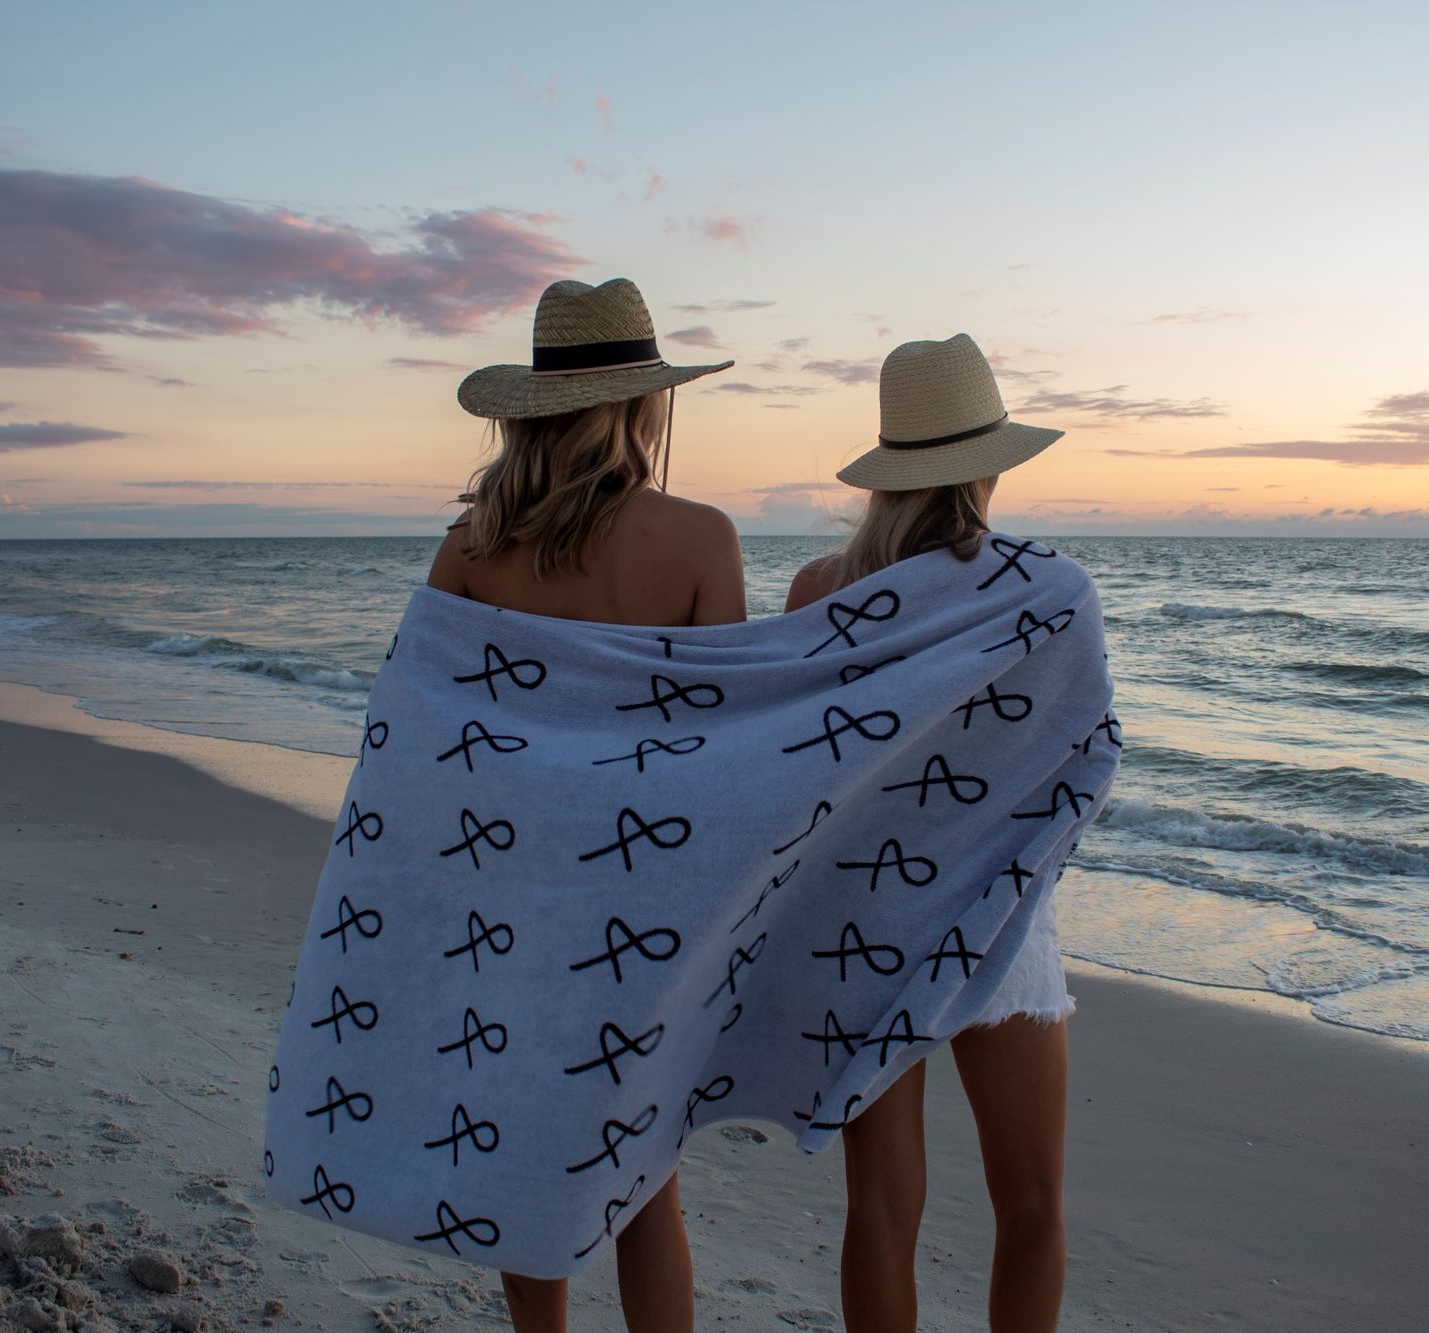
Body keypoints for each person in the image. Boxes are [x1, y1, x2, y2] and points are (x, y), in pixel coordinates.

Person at [428, 276, 746, 1333]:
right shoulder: (700, 540)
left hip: (505, 897)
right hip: (643, 901)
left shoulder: (470, 545)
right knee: (645, 1175)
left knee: (522, 1156)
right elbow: (724, 750)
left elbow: (427, 741)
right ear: (644, 401)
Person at [785, 333, 1074, 1333]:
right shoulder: (1040, 589)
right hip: (1000, 905)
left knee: (881, 1208)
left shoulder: (818, 592)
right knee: (1028, 1202)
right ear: (988, 462)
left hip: (866, 918)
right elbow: (1069, 762)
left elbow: (792, 776)